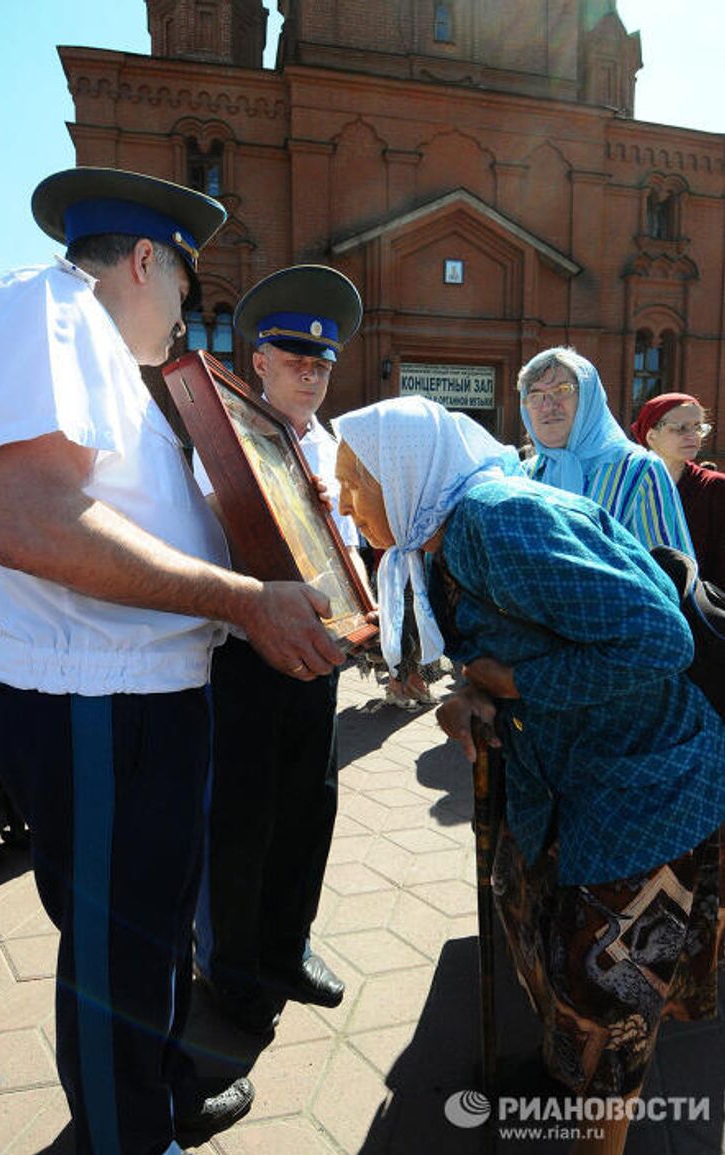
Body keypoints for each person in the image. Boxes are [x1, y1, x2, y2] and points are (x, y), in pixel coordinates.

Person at [0, 168, 345, 1155]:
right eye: (184, 285)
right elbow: (36, 520)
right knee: (113, 948)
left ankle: (159, 1087)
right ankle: (128, 1137)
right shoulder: (38, 309)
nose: (187, 313)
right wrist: (244, 599)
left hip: (154, 699)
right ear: (143, 261)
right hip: (95, 702)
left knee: (153, 933)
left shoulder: (112, 366)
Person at [333, 396, 725, 1155]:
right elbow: (533, 637)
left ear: (405, 472)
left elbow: (657, 639)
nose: (347, 505)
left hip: (644, 788)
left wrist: (514, 682)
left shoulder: (494, 522)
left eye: (356, 483)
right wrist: (476, 692)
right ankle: (571, 1090)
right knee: (560, 954)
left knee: (615, 994)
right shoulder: (440, 535)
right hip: (577, 780)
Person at [194, 264, 363, 1037]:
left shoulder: (331, 448)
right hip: (243, 663)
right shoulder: (220, 439)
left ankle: (287, 947)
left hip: (318, 663)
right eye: (295, 358)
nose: (311, 372)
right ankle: (231, 970)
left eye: (322, 362)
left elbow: (352, 557)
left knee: (308, 812)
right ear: (257, 360)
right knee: (240, 823)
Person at [517, 346, 693, 554]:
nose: (547, 406)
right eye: (536, 395)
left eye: (562, 390)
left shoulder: (640, 472)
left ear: (589, 399)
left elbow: (670, 572)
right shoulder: (522, 476)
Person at [631, 393, 725, 587]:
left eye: (698, 427)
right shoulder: (630, 487)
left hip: (701, 607)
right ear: (651, 435)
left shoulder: (715, 487)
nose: (692, 436)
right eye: (681, 428)